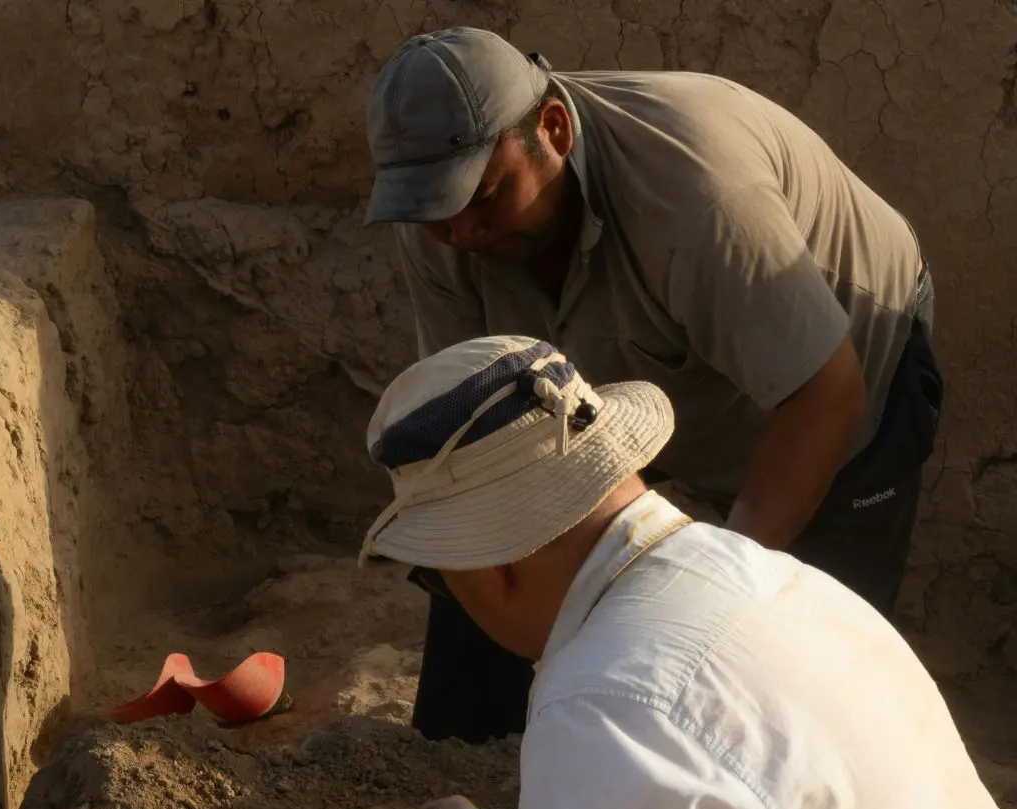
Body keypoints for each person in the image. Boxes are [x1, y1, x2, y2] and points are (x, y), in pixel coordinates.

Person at [363, 26, 944, 743]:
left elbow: (826, 395)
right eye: (434, 212)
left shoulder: (694, 193)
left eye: (482, 197)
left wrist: (715, 595)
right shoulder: (446, 220)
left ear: (553, 129)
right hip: (638, 364)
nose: (461, 231)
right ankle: (466, 752)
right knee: (493, 546)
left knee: (797, 660)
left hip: (840, 367)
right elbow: (482, 441)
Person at [363, 335, 1016, 809]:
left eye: (437, 576)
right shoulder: (781, 583)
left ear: (488, 567)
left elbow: (640, 767)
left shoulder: (602, 704)